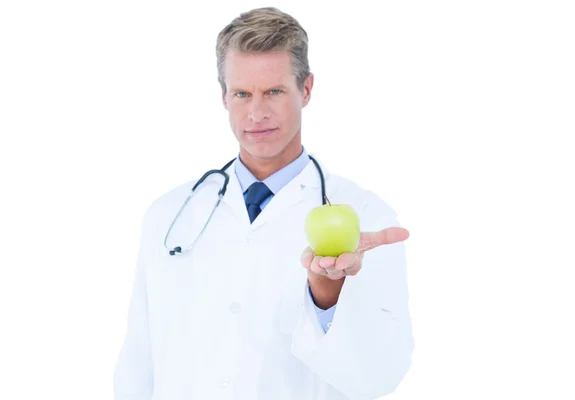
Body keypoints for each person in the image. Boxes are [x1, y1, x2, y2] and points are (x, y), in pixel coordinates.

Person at [113, 6, 414, 400]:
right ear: (223, 96)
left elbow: (379, 377)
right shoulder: (170, 215)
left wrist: (327, 296)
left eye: (274, 91)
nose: (256, 113)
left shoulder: (365, 217)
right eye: (242, 93)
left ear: (306, 90)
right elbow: (138, 366)